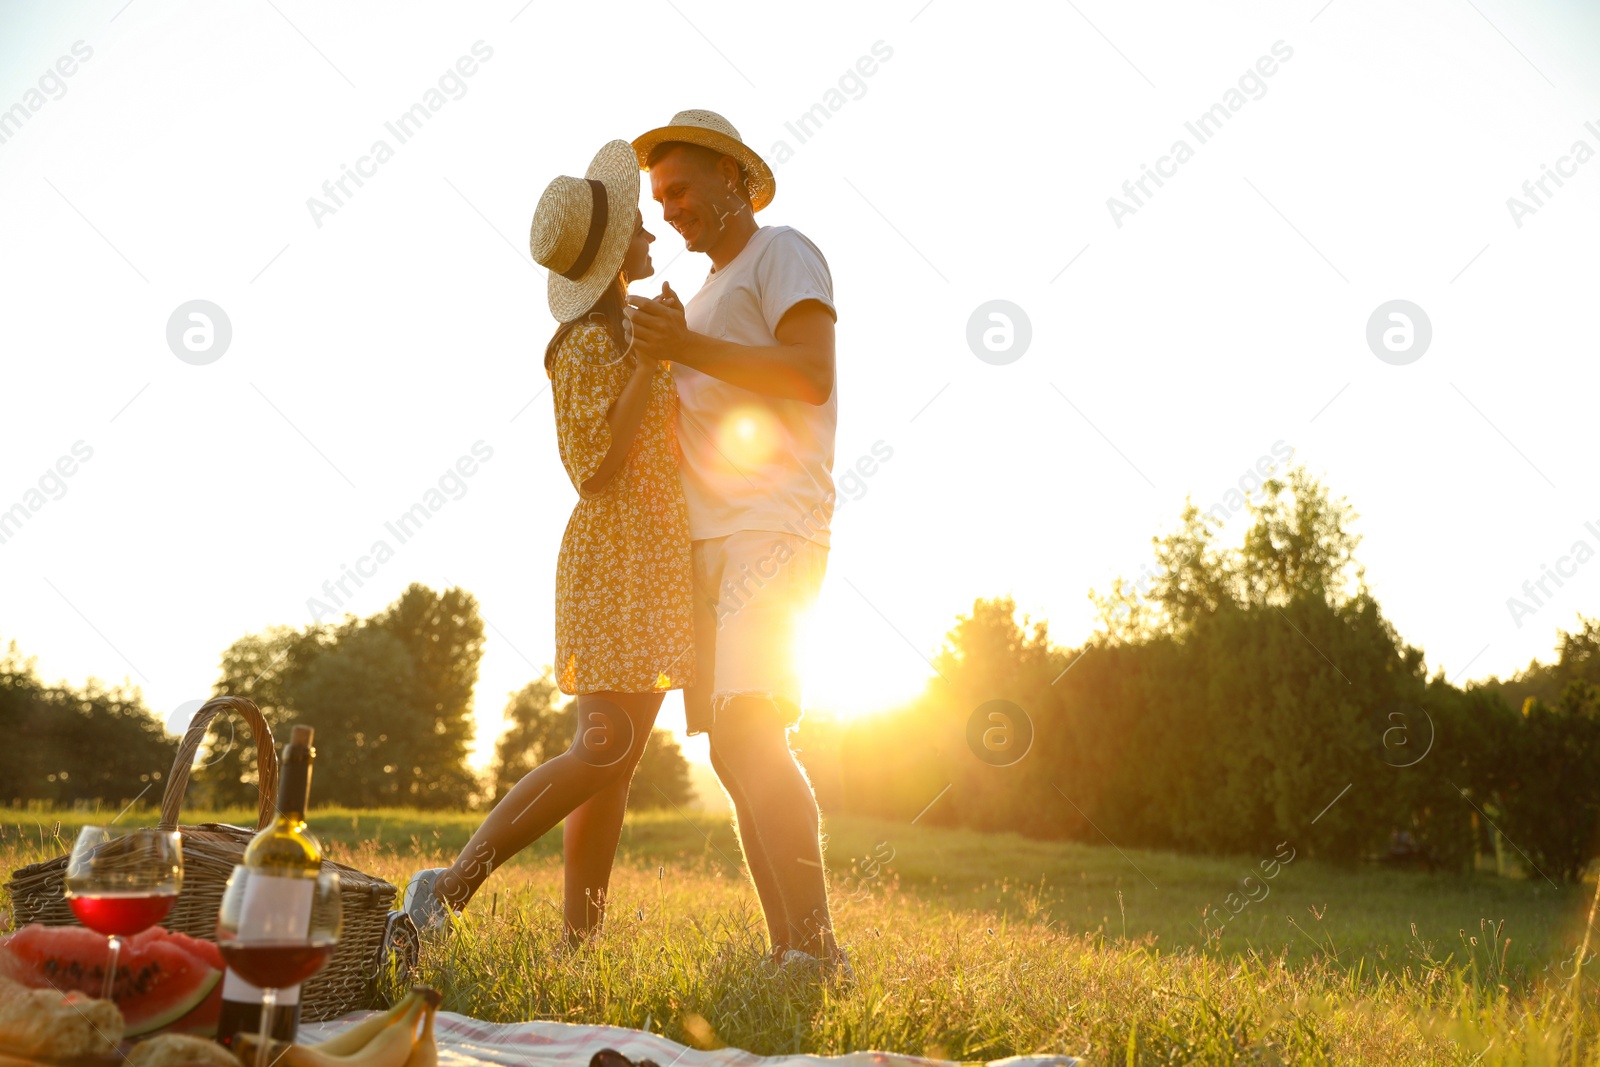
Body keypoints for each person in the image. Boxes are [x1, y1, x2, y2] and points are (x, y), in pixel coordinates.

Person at [400, 140, 695, 944]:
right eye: (640, 224)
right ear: (609, 252)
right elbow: (596, 465)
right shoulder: (590, 345)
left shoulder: (627, 330)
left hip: (653, 557)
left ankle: (578, 942)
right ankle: (448, 885)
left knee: (617, 759)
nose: (652, 235)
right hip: (615, 559)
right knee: (602, 749)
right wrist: (653, 363)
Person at [625, 110, 848, 977]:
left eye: (680, 189)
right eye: (659, 197)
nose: (670, 208)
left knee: (755, 731)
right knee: (727, 746)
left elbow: (809, 372)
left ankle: (820, 948)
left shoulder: (782, 251)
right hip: (705, 540)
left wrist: (685, 344)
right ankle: (785, 947)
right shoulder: (705, 292)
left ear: (730, 177)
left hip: (775, 524)